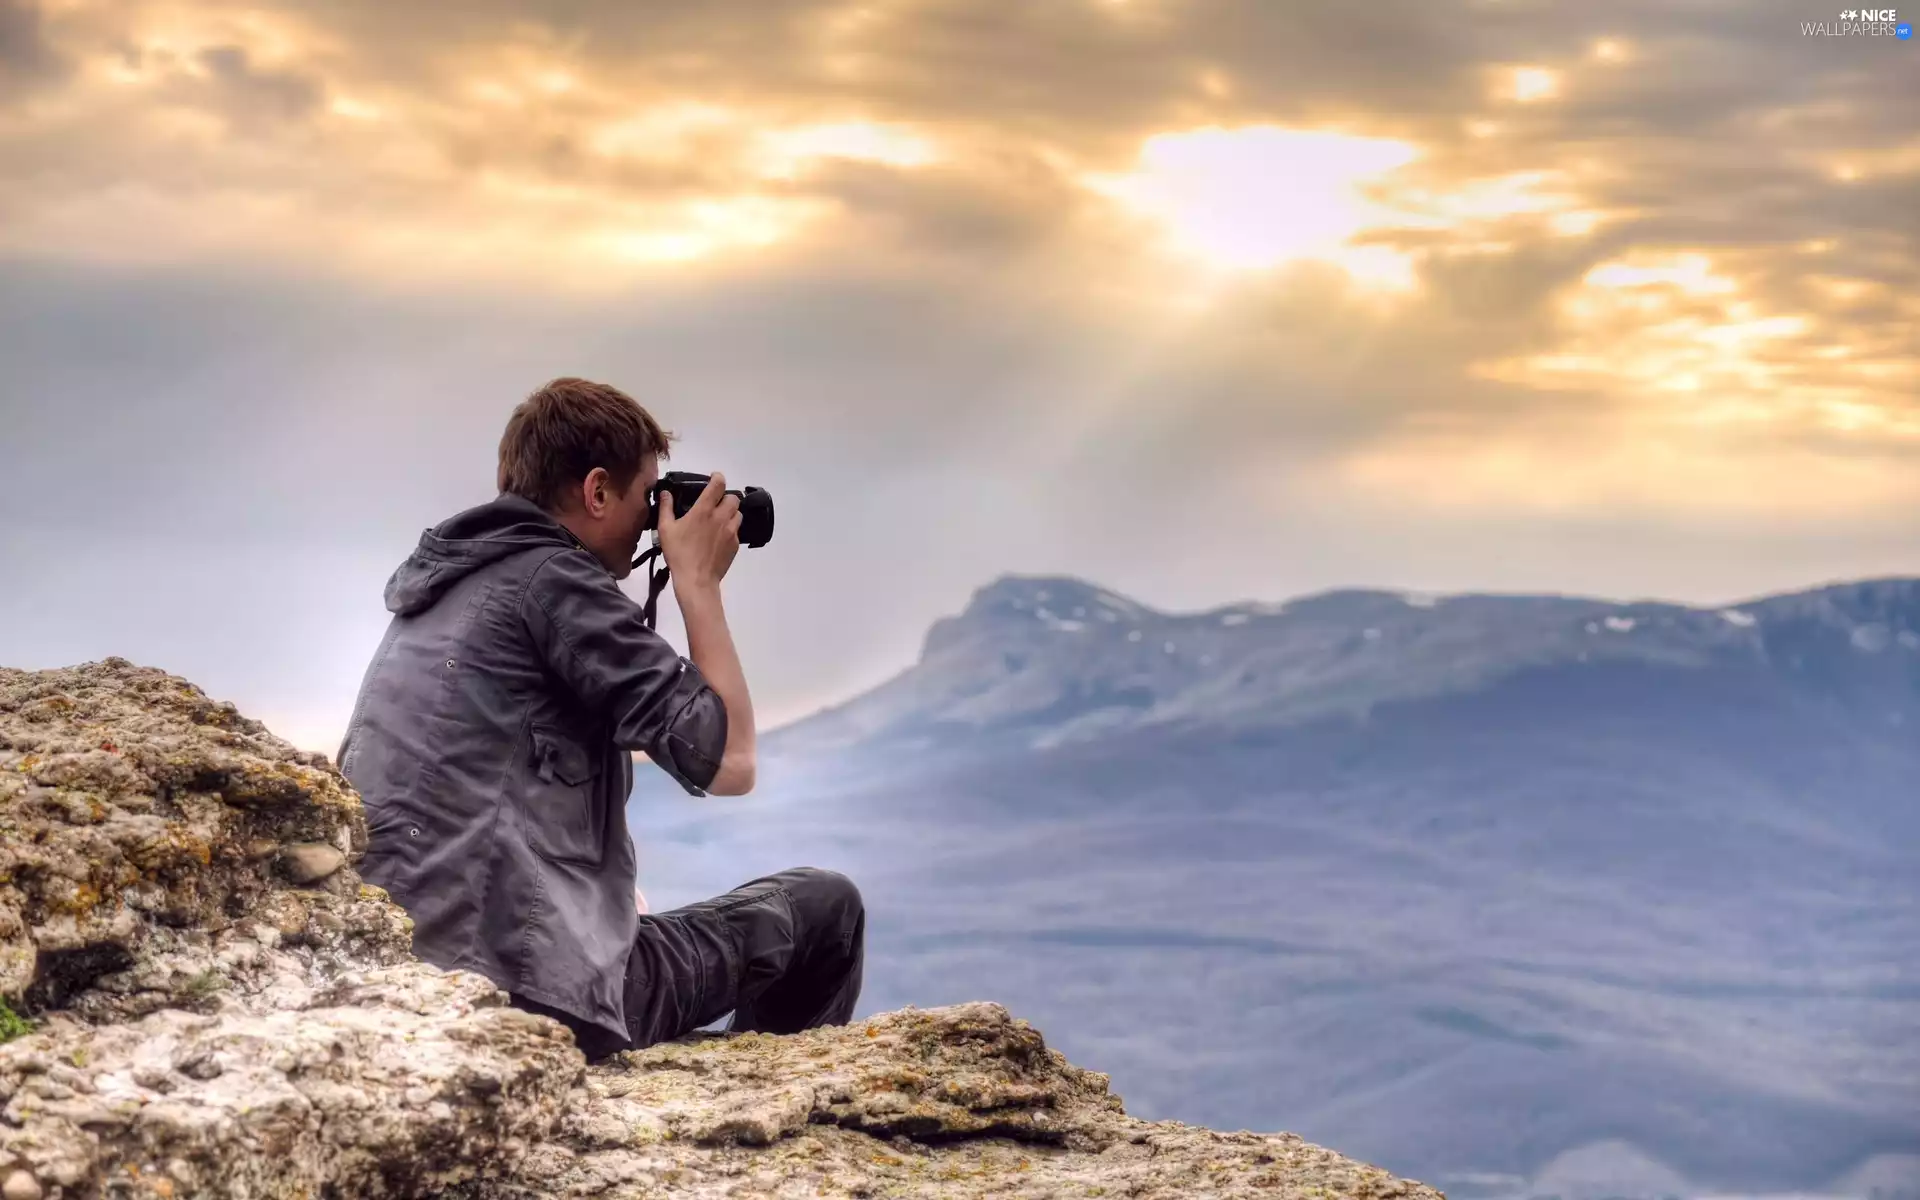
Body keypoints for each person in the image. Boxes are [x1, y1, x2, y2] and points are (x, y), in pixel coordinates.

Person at [335, 377, 864, 1061]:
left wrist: (601, 903)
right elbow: (732, 761)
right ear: (597, 492)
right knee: (825, 910)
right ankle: (766, 1110)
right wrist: (697, 583)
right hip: (521, 990)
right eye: (649, 495)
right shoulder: (555, 584)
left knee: (651, 936)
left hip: (412, 972)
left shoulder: (448, 585)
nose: (655, 516)